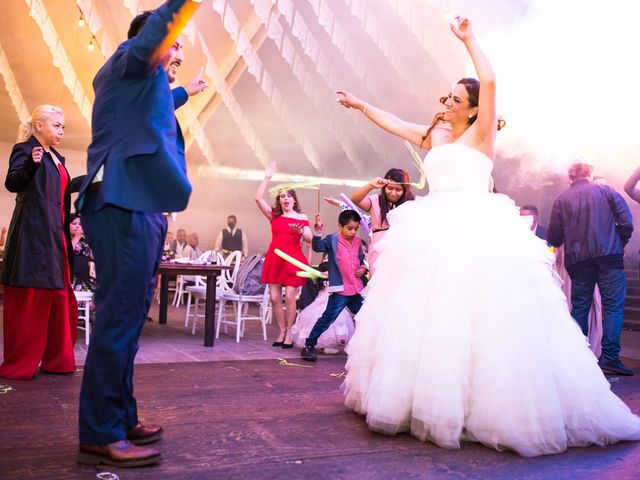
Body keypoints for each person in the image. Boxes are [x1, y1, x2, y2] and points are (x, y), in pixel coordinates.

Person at [336, 16, 640, 457]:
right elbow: (393, 123)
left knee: (486, 318)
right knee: (428, 316)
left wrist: (468, 40)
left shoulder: (482, 136)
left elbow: (490, 80)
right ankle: (421, 400)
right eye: (448, 96)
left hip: (477, 230)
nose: (447, 102)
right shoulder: (437, 134)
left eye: (456, 98)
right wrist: (360, 104)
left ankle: (490, 406)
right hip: (434, 229)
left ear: (474, 108)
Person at [75, 0, 206, 468]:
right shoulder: (131, 57)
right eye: (175, 48)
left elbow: (155, 107)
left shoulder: (137, 84)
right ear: (153, 38)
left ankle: (120, 416)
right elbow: (155, 42)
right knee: (118, 321)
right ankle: (100, 431)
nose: (176, 57)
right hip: (123, 203)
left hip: (139, 204)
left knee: (130, 324)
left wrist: (186, 91)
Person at [0, 105, 78, 380]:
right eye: (56, 125)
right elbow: (12, 183)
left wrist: (94, 180)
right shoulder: (25, 149)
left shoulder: (57, 159)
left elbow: (62, 194)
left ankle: (58, 360)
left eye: (63, 126)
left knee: (58, 296)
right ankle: (21, 362)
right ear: (38, 126)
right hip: (33, 235)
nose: (61, 131)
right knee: (33, 298)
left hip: (55, 236)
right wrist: (32, 164)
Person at [548, 162, 634, 376]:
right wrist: (617, 243)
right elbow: (626, 222)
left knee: (579, 309)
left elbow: (554, 237)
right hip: (609, 259)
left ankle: (578, 358)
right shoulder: (606, 191)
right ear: (590, 173)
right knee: (613, 306)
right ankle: (610, 358)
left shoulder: (561, 200)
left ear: (570, 177)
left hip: (579, 262)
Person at [255, 161, 312, 349]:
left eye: (288, 196)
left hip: (294, 260)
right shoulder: (274, 216)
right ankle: (282, 331)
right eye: (282, 196)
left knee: (289, 296)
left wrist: (301, 231)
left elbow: (310, 239)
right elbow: (257, 198)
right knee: (274, 297)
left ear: (294, 200)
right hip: (276, 259)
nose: (285, 199)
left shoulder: (301, 218)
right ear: (279, 201)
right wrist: (267, 177)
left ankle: (290, 330)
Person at [300, 210, 367, 361]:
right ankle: (309, 346)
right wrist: (318, 231)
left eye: (356, 229)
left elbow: (361, 261)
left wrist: (363, 269)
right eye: (349, 228)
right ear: (340, 226)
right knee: (328, 317)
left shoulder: (357, 242)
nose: (353, 232)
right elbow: (318, 247)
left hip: (356, 288)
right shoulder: (332, 239)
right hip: (341, 290)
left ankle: (366, 347)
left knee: (366, 317)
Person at [350, 169, 415, 276]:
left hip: (402, 254)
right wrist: (371, 185)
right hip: (378, 254)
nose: (393, 193)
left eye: (398, 190)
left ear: (405, 190)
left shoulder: (411, 204)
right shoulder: (375, 201)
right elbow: (355, 198)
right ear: (384, 187)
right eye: (390, 188)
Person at [69, 214, 96, 293]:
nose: (78, 226)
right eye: (74, 224)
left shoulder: (84, 241)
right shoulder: (64, 238)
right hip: (71, 279)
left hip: (85, 278)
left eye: (80, 224)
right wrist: (76, 237)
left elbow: (93, 257)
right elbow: (66, 252)